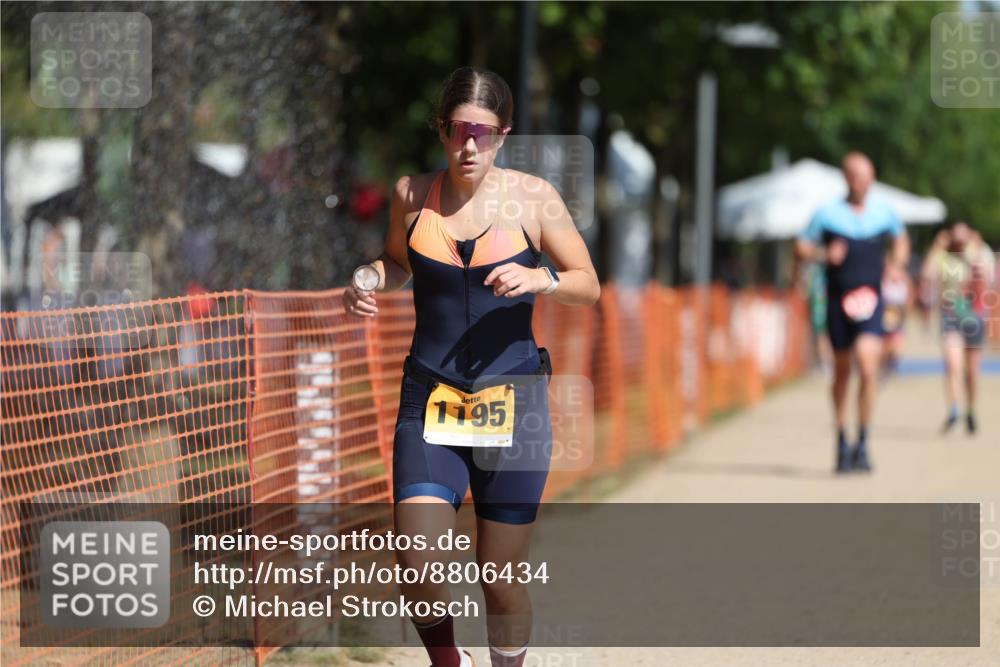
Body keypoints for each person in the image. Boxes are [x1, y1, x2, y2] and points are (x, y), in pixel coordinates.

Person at [343, 67, 600, 667]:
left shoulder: (535, 198)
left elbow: (587, 283)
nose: (469, 147)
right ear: (441, 129)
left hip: (514, 406)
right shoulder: (411, 195)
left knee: (499, 576)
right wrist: (368, 277)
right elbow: (396, 262)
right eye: (459, 131)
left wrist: (542, 279)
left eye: (483, 134)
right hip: (430, 398)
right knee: (417, 559)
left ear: (503, 135)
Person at [794, 152, 910, 473]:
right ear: (846, 178)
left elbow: (901, 240)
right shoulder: (828, 214)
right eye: (858, 176)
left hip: (872, 301)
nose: (864, 182)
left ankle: (864, 440)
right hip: (837, 302)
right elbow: (801, 246)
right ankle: (842, 437)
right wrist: (822, 253)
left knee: (868, 367)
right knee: (842, 371)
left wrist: (897, 265)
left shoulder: (883, 213)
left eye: (868, 176)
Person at [919, 220, 995, 434]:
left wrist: (974, 252)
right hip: (950, 315)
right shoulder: (942, 255)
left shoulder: (980, 252)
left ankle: (971, 409)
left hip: (974, 316)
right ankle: (954, 408)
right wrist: (937, 247)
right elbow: (926, 275)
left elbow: (987, 280)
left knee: (972, 372)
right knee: (952, 364)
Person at [880, 256, 913, 378]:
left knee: (896, 347)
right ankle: (884, 366)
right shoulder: (883, 282)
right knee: (885, 346)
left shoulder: (905, 282)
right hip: (884, 320)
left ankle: (891, 365)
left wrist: (903, 309)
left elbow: (910, 300)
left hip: (899, 320)